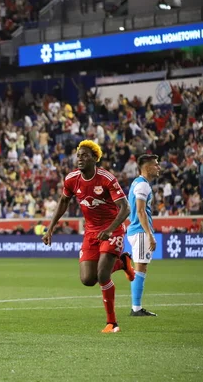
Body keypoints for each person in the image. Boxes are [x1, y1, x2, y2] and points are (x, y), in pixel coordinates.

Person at [43, 140, 135, 333]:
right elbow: (63, 201)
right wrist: (50, 227)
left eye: (85, 155)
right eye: (78, 156)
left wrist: (110, 229)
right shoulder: (71, 179)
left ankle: (112, 323)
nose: (80, 159)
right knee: (87, 279)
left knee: (102, 275)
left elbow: (125, 208)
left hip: (113, 229)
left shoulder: (106, 179)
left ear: (95, 158)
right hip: (91, 232)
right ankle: (123, 263)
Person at [127, 154, 160, 317]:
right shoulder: (143, 186)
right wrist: (150, 234)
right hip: (140, 231)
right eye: (156, 164)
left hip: (137, 230)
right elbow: (140, 211)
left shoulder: (138, 183)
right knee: (140, 267)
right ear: (147, 167)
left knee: (141, 267)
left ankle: (137, 307)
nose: (158, 167)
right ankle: (136, 308)